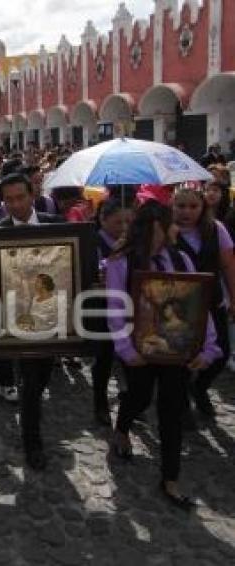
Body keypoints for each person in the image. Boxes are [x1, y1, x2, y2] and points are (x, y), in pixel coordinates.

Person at [107, 201, 220, 509]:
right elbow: (115, 311)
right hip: (140, 350)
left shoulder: (181, 259)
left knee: (172, 411)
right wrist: (126, 350)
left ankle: (170, 478)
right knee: (140, 397)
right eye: (158, 229)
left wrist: (208, 347)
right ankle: (122, 429)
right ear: (147, 228)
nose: (164, 235)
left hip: (176, 351)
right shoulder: (121, 262)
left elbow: (199, 308)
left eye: (166, 228)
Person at [0, 173, 64, 470]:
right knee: (29, 382)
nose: (16, 204)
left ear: (33, 195)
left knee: (42, 375)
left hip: (54, 315)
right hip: (17, 319)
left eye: (21, 197)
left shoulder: (57, 225)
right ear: (3, 202)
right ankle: (32, 442)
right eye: (9, 200)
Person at [171, 186, 235, 422]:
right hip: (179, 306)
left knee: (221, 353)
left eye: (193, 206)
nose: (187, 211)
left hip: (212, 300)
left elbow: (228, 265)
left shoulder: (216, 229)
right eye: (181, 206)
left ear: (202, 207)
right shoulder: (166, 232)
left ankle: (200, 388)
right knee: (182, 357)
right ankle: (183, 403)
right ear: (172, 207)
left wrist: (234, 297)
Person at [91, 198, 134, 427]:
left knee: (131, 361)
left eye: (129, 221)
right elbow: (90, 275)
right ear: (103, 219)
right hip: (102, 309)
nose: (124, 227)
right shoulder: (94, 242)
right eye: (119, 222)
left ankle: (131, 402)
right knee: (104, 358)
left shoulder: (134, 243)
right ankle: (100, 401)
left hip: (129, 308)